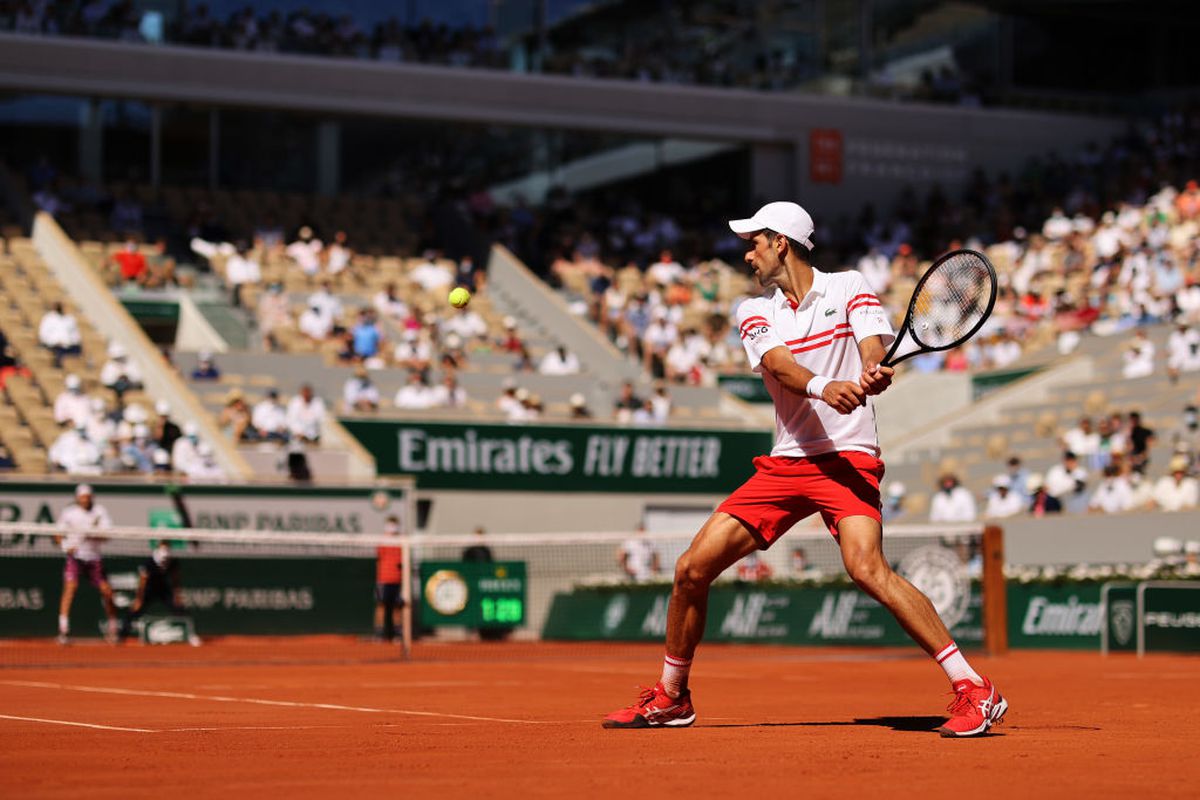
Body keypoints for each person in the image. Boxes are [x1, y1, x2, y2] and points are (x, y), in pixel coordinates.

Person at [603, 202, 1006, 736]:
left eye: (754, 243)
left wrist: (869, 368)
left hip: (847, 460)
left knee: (867, 568)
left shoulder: (849, 286)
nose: (748, 255)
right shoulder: (755, 311)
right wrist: (824, 385)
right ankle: (672, 697)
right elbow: (779, 366)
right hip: (787, 464)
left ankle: (974, 689)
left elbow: (870, 341)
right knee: (690, 570)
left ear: (780, 244)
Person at [56, 484, 119, 644]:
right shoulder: (69, 513)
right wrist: (65, 546)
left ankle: (113, 629)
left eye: (88, 497)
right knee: (70, 588)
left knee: (107, 591)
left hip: (94, 559)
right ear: (78, 498)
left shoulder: (100, 512)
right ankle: (63, 630)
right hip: (75, 558)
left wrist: (94, 533)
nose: (86, 500)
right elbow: (57, 534)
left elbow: (107, 536)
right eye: (83, 497)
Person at [118, 542, 198, 644]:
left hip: (163, 589)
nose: (164, 561)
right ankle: (121, 636)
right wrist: (139, 599)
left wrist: (176, 595)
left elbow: (175, 579)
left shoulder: (173, 562)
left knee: (179, 608)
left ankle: (191, 635)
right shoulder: (148, 563)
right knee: (134, 611)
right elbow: (142, 582)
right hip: (149, 589)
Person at [374, 516, 404, 642]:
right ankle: (379, 634)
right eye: (390, 525)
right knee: (381, 605)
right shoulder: (382, 542)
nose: (392, 528)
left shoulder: (402, 542)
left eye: (394, 525)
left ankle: (398, 633)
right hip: (383, 580)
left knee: (398, 607)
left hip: (398, 580)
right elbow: (378, 559)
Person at [38, 302, 82, 366]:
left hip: (69, 346)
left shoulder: (70, 319)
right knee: (59, 355)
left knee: (77, 354)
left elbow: (75, 335)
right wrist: (54, 342)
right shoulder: (48, 318)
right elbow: (43, 334)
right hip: (55, 346)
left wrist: (73, 342)